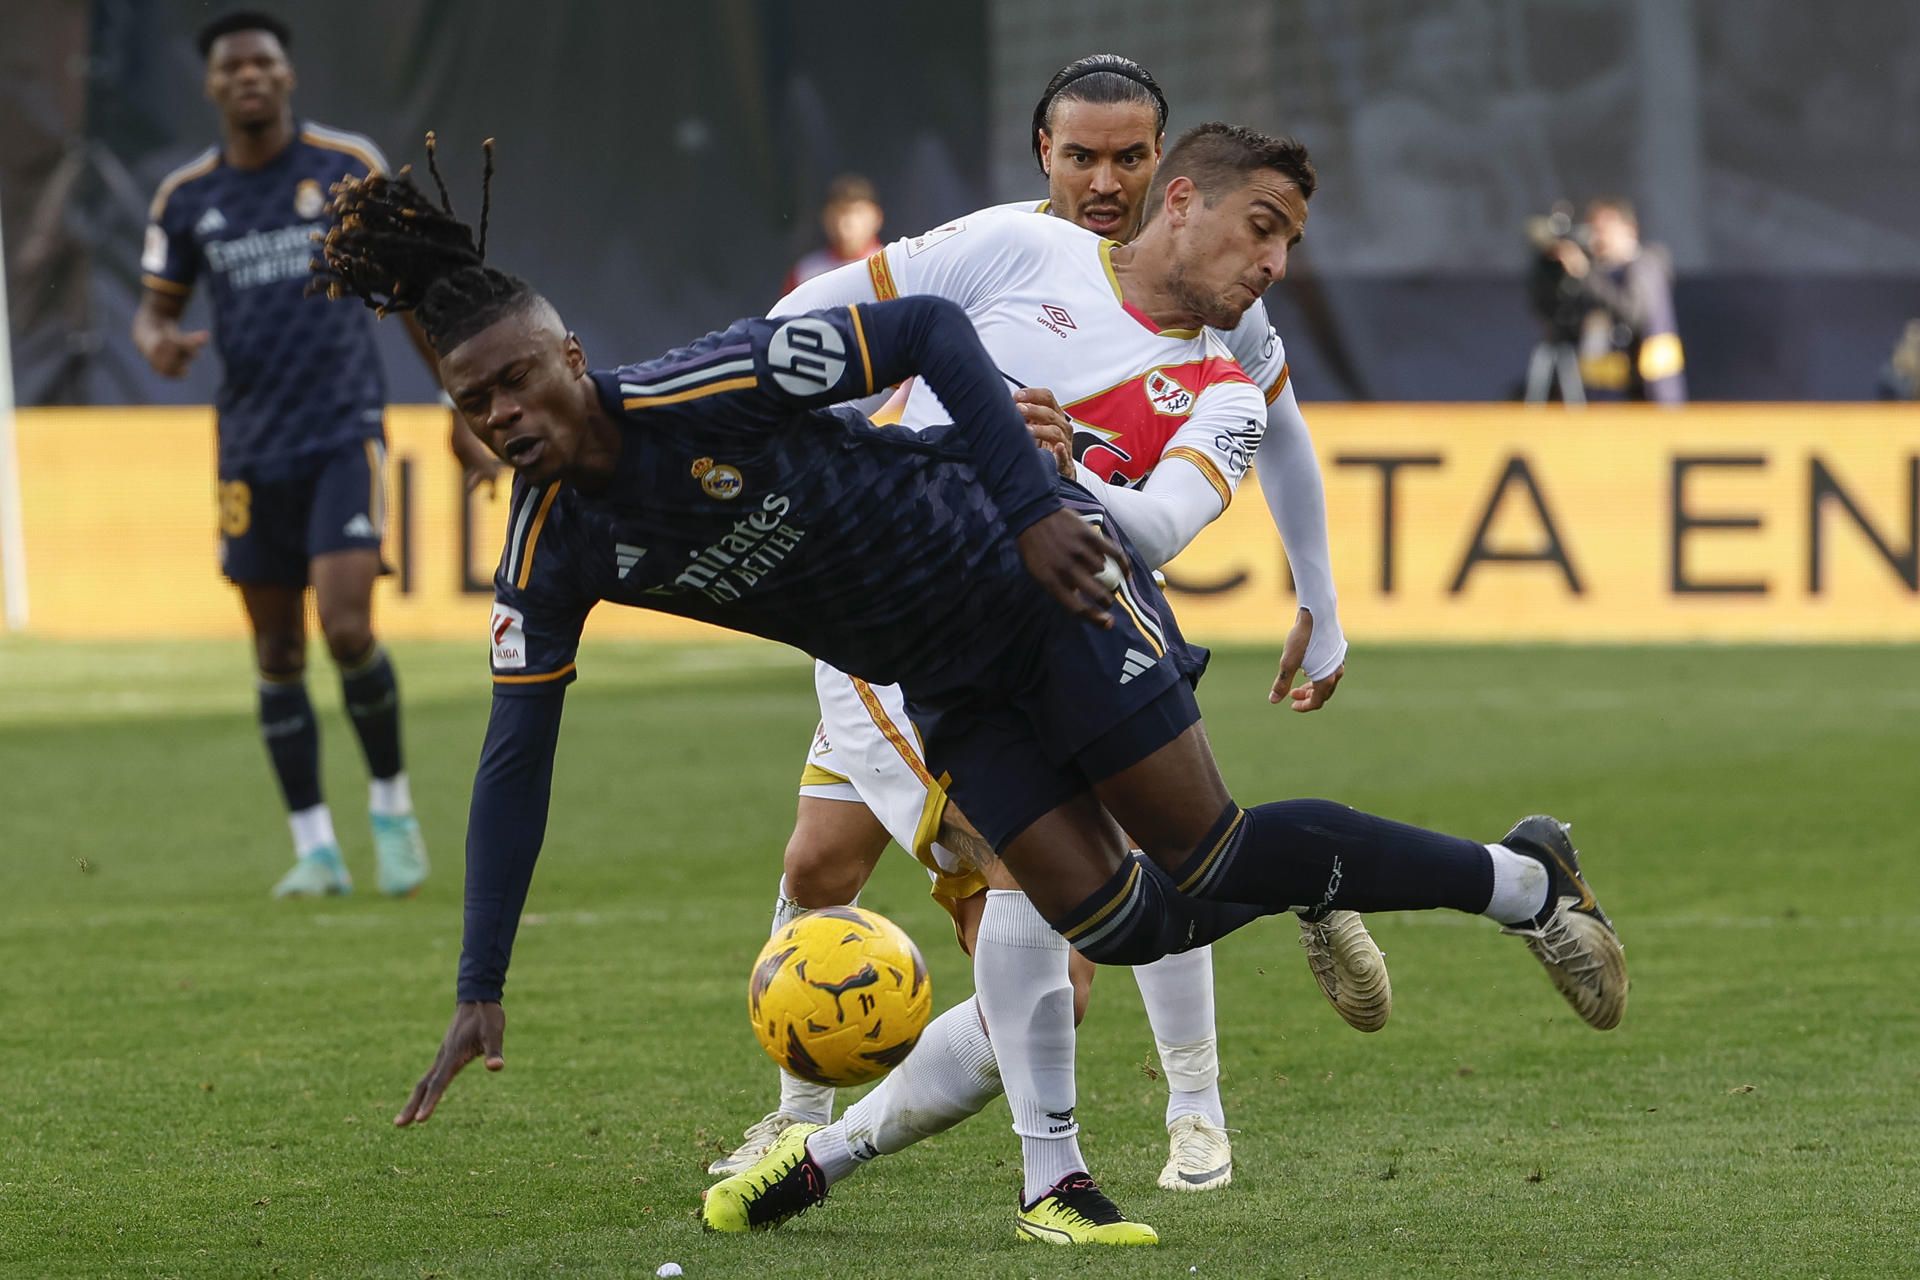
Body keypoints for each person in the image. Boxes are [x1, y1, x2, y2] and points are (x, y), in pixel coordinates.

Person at [339, 139, 1625, 1244]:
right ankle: (1402, 878)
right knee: (1121, 923)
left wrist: (1029, 509)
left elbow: (927, 331)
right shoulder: (546, 552)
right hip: (940, 671)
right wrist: (478, 981)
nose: (503, 413)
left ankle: (1525, 887)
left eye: (517, 378)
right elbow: (516, 759)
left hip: (1031, 580)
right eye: (473, 401)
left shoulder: (709, 386)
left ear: (568, 353)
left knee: (1210, 842)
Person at [708, 67, 1370, 1235]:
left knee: (933, 881)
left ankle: (1177, 1112)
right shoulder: (1000, 247)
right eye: (1082, 158)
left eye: (1130, 159)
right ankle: (813, 1123)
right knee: (897, 883)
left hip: (1071, 610)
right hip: (916, 617)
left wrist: (1319, 593)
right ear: (1042, 156)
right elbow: (802, 339)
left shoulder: (1219, 290)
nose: (1105, 183)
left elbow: (1279, 431)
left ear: (1170, 174)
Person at [131, 10, 492, 898]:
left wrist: (459, 400)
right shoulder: (186, 199)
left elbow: (409, 292)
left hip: (343, 430)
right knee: (277, 652)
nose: (249, 77)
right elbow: (154, 309)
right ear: (212, 85)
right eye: (232, 67)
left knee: (347, 625)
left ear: (288, 77)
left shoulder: (345, 167)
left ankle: (393, 811)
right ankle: (315, 848)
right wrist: (156, 341)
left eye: (264, 62)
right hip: (250, 448)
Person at [1552, 198, 1686, 404]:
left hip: (1648, 396)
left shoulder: (1645, 266)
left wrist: (1586, 275)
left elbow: (1632, 312)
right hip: (1600, 396)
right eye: (1594, 230)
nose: (1599, 238)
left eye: (1605, 229)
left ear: (1630, 230)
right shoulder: (1600, 274)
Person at [782, 174, 885, 293]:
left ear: (877, 217)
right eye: (838, 212)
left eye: (857, 212)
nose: (847, 221)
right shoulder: (806, 272)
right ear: (825, 217)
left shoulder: (892, 266)